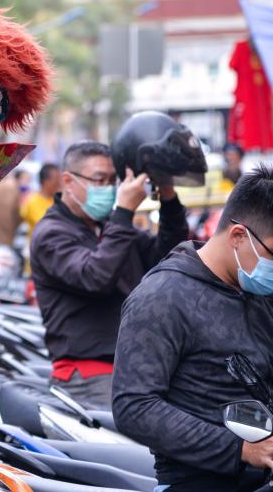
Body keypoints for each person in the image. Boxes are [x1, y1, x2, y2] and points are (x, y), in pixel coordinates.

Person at [113, 166, 273, 492]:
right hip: (205, 490)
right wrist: (240, 449)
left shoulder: (266, 298)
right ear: (239, 235)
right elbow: (133, 405)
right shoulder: (162, 297)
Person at [28, 141, 186, 409]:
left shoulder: (107, 228)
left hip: (135, 364)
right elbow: (95, 276)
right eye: (99, 180)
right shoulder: (51, 234)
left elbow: (166, 255)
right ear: (68, 181)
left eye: (113, 181)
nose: (109, 189)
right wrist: (123, 212)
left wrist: (168, 196)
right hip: (89, 374)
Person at [21, 163, 60, 238]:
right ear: (45, 181)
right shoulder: (33, 201)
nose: (59, 183)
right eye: (56, 179)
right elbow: (46, 224)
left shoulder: (57, 200)